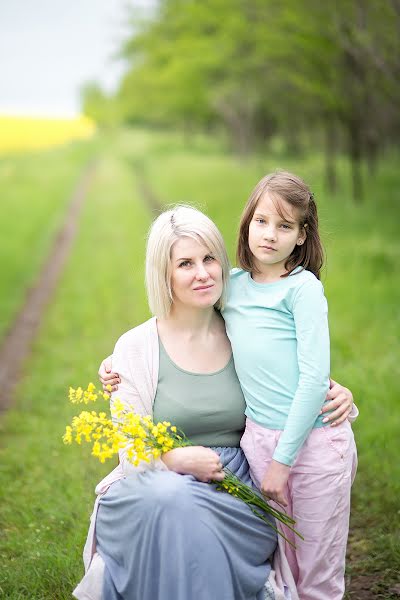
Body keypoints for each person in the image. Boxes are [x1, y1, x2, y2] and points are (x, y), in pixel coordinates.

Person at [74, 206, 280, 600]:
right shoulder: (135, 349)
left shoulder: (248, 334)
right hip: (149, 487)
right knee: (173, 500)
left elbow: (297, 381)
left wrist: (338, 393)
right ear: (164, 275)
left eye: (209, 259)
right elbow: (132, 452)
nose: (202, 273)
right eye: (185, 263)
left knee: (185, 513)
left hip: (232, 490)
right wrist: (171, 461)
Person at [223, 171, 357, 600]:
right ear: (248, 223)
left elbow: (315, 377)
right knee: (280, 565)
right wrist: (120, 359)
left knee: (317, 569)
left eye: (285, 226)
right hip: (258, 440)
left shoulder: (302, 290)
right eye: (262, 221)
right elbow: (178, 323)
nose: (270, 234)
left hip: (313, 445)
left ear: (301, 236)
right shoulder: (232, 286)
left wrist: (283, 461)